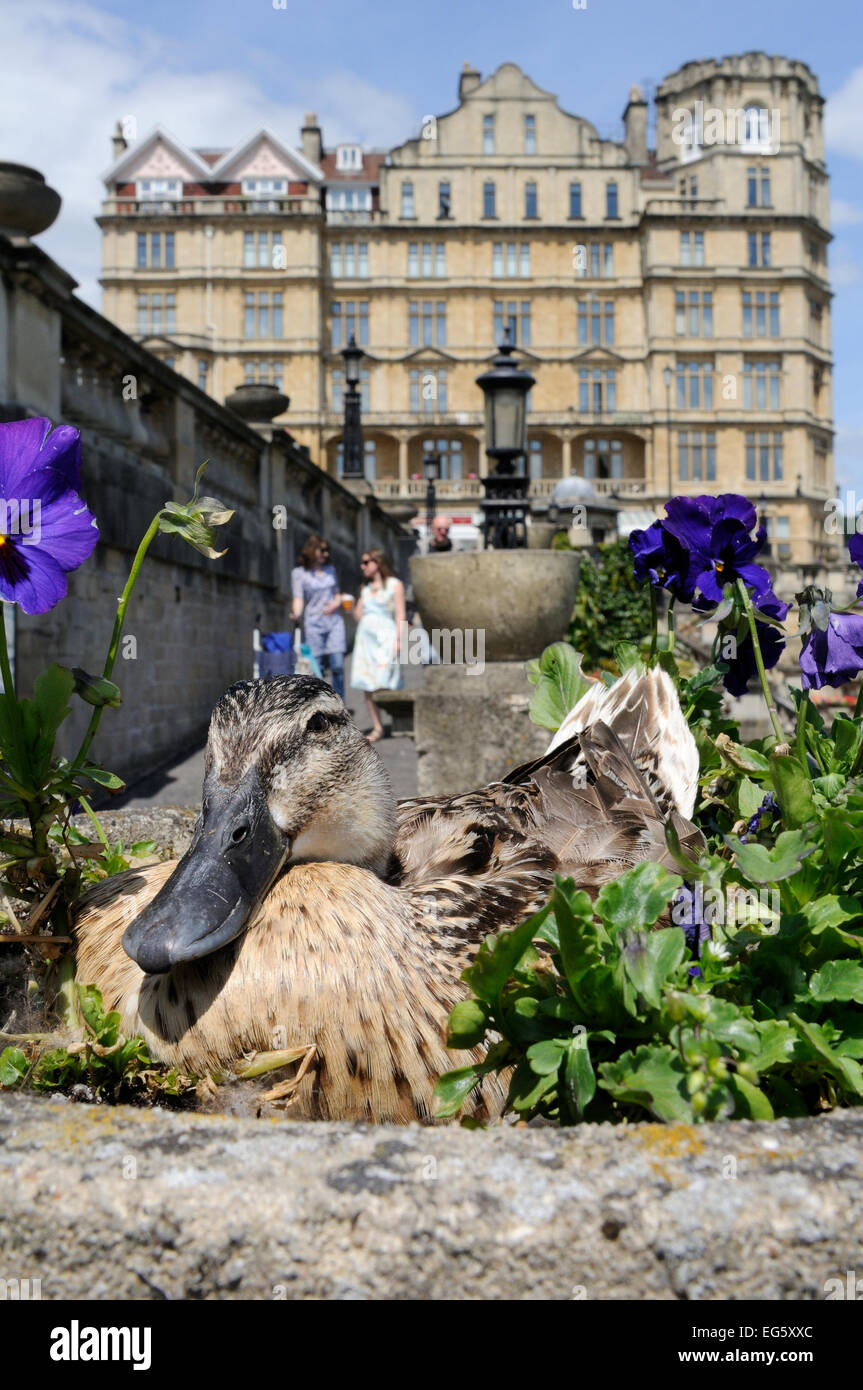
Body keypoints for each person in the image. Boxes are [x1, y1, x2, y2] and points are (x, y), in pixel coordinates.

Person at [351, 548, 406, 742]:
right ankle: (378, 726)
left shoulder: (394, 585)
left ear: (378, 563)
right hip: (365, 641)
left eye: (366, 562)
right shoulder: (365, 589)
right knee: (368, 684)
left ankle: (400, 720)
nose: (362, 566)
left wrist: (400, 639)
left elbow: (400, 614)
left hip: (386, 638)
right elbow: (359, 617)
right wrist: (353, 607)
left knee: (387, 681)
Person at [291, 535, 347, 701]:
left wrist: (336, 604)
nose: (326, 554)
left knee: (338, 666)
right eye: (322, 550)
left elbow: (337, 594)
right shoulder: (299, 573)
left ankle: (339, 703)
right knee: (317, 668)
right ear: (311, 550)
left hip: (334, 622)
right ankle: (321, 704)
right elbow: (298, 598)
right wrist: (296, 614)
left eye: (327, 551)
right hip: (314, 622)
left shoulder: (331, 570)